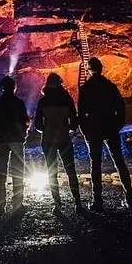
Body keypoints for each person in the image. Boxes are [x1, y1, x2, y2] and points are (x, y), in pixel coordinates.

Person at [77, 57, 132, 211]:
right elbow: (120, 108)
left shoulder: (86, 88)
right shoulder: (110, 86)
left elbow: (81, 113)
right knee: (119, 161)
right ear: (101, 68)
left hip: (94, 128)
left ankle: (97, 201)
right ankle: (130, 198)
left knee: (95, 165)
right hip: (110, 126)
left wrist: (85, 130)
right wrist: (117, 125)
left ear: (89, 70)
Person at [33, 73, 82, 213]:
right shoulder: (67, 99)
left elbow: (37, 124)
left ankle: (57, 204)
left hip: (48, 140)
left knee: (51, 172)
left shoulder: (43, 101)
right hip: (64, 138)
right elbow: (74, 120)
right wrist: (68, 129)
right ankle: (77, 202)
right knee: (70, 170)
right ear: (60, 84)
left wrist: (47, 128)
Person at [0, 75, 29, 214]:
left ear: (1, 88)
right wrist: (24, 136)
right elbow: (25, 122)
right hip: (16, 141)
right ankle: (17, 203)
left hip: (2, 142)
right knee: (18, 173)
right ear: (14, 87)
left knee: (1, 173)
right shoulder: (19, 103)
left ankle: (0, 205)